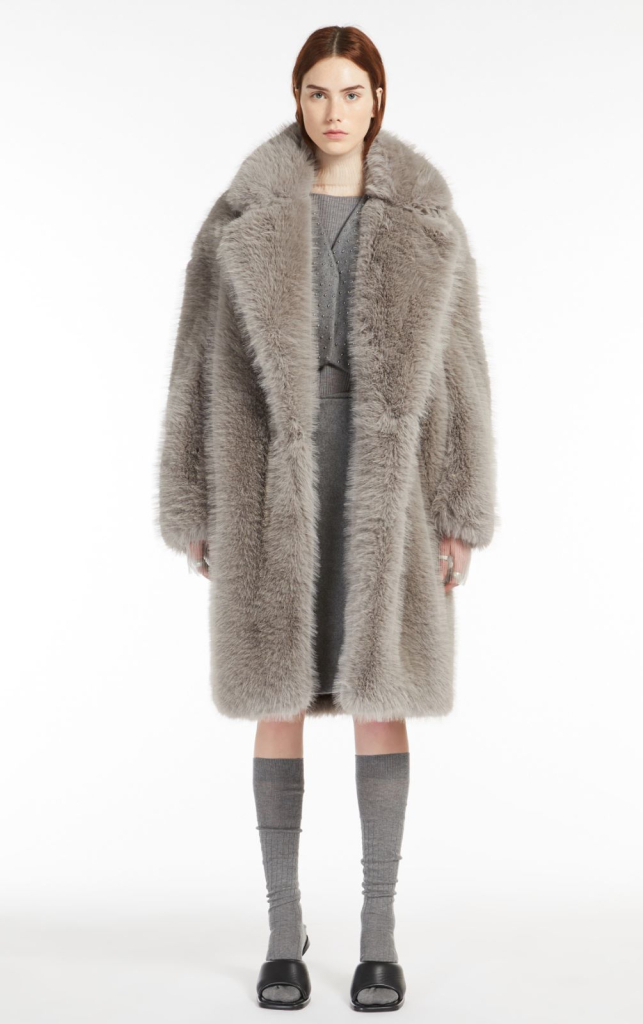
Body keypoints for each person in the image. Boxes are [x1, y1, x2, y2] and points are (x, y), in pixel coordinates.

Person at [156, 24, 498, 1012]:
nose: (334, 110)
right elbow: (193, 363)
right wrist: (192, 497)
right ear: (297, 99)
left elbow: (465, 373)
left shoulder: (430, 219)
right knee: (279, 696)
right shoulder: (241, 216)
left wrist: (460, 507)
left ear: (377, 99)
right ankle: (282, 931)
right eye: (317, 91)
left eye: (351, 91)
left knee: (380, 692)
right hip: (268, 475)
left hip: (390, 484)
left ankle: (378, 933)